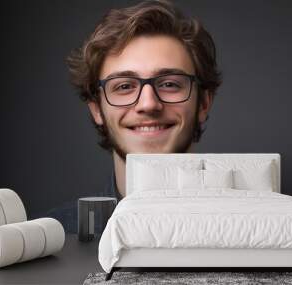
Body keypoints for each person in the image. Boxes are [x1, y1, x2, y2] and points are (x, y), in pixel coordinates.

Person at [48, 0, 222, 232]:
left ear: (203, 103)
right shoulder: (52, 239)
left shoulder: (260, 236)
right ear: (97, 109)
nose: (148, 104)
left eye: (169, 84)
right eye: (123, 86)